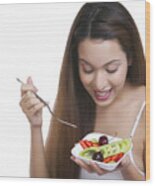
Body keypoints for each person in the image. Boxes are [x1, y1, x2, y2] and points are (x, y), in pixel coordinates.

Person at [19, 2, 146, 180]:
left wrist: (126, 167)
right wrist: (35, 126)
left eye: (111, 69)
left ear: (130, 57)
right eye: (87, 69)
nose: (99, 84)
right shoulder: (76, 102)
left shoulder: (147, 108)